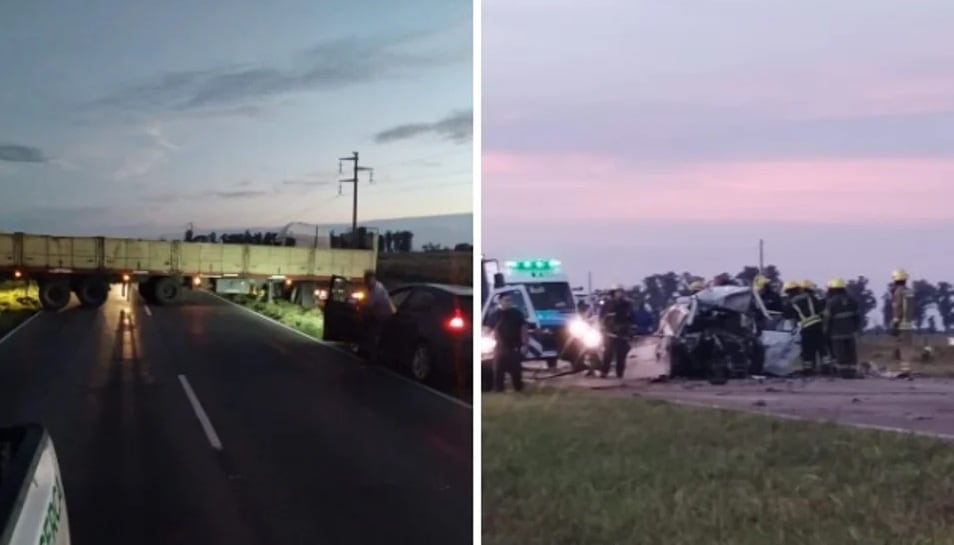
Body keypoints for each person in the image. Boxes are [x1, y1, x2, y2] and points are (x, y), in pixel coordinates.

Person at [484, 294, 528, 392]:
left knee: (516, 370)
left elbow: (523, 328)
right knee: (498, 370)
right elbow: (488, 329)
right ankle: (498, 388)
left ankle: (518, 388)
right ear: (500, 301)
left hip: (514, 346)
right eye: (506, 300)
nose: (509, 302)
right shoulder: (495, 315)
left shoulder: (517, 313)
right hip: (499, 347)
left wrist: (525, 344)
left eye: (510, 300)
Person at [783, 280, 826, 375]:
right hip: (818, 326)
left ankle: (808, 370)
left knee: (807, 351)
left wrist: (792, 330)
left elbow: (789, 318)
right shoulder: (811, 297)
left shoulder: (790, 302)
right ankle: (826, 369)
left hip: (806, 328)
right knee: (822, 348)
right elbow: (821, 309)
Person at [823, 278, 863, 378]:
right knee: (851, 353)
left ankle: (843, 372)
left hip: (837, 334)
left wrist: (825, 332)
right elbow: (857, 317)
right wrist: (856, 328)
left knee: (841, 353)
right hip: (850, 333)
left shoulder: (831, 303)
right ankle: (853, 371)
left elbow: (827, 319)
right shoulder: (852, 301)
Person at [599, 284, 634, 378]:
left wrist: (629, 330)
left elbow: (630, 318)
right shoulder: (607, 304)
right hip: (610, 333)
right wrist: (604, 328)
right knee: (608, 353)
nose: (620, 294)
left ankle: (620, 373)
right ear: (613, 293)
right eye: (618, 292)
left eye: (621, 292)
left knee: (621, 355)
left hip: (622, 333)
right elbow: (602, 318)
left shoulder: (627, 304)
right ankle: (604, 372)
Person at [360, 269, 395, 362]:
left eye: (369, 280)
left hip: (384, 315)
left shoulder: (377, 289)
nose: (367, 283)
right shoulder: (373, 288)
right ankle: (368, 354)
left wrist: (362, 309)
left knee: (373, 335)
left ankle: (373, 358)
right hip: (379, 314)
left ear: (374, 279)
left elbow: (370, 305)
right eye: (366, 280)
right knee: (371, 333)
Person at [890, 268, 915, 374]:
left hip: (901, 322)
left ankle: (904, 371)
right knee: (907, 347)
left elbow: (898, 307)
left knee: (902, 347)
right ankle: (906, 369)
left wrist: (895, 321)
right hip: (908, 322)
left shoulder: (898, 291)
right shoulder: (909, 291)